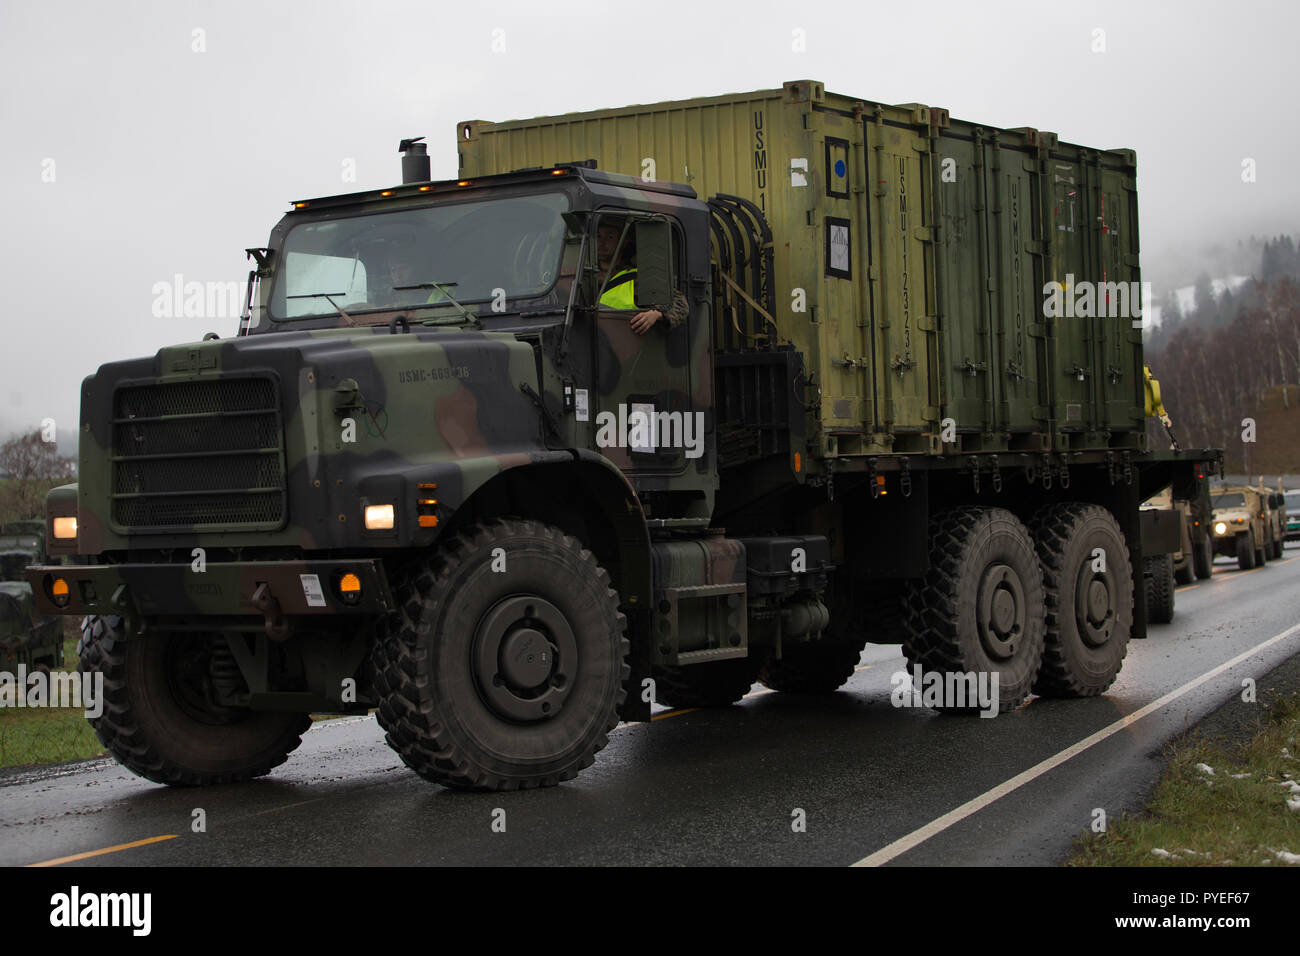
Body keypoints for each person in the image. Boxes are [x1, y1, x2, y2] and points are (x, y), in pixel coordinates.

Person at [595, 221, 686, 333]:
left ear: (623, 242)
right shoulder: (583, 275)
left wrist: (656, 314)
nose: (602, 242)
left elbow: (680, 305)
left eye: (610, 237)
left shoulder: (637, 278)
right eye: (598, 236)